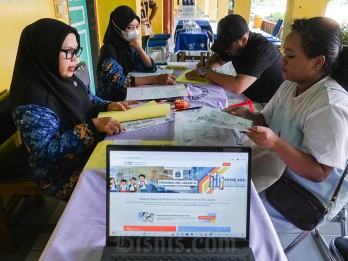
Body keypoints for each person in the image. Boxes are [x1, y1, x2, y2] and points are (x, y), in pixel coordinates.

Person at [224, 17, 348, 232]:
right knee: (220, 181)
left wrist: (275, 143)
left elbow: (319, 173)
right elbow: (267, 120)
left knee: (228, 209)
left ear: (317, 62)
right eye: (284, 52)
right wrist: (247, 114)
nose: (282, 60)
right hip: (275, 167)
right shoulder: (290, 84)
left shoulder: (330, 106)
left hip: (302, 195)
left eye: (290, 55)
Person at [10, 18, 128, 201]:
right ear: (45, 52)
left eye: (76, 51)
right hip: (60, 173)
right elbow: (44, 153)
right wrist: (91, 127)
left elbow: (87, 98)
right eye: (68, 52)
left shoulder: (65, 79)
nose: (75, 58)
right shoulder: (32, 101)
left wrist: (107, 105)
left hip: (86, 151)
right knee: (122, 187)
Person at [185, 14, 284, 103]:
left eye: (227, 46)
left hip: (268, 104)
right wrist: (207, 67)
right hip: (247, 94)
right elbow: (218, 58)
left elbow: (237, 86)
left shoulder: (261, 51)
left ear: (243, 40)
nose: (226, 50)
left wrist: (204, 72)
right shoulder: (235, 45)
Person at [96, 5, 176, 102]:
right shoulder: (108, 51)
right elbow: (121, 82)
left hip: (128, 97)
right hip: (111, 104)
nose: (135, 32)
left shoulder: (128, 46)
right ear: (117, 27)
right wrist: (156, 79)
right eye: (130, 27)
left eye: (137, 27)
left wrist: (139, 48)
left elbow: (151, 67)